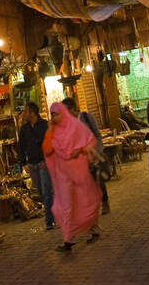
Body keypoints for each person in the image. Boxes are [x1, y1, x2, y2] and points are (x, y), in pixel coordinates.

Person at [43, 101, 103, 252]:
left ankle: (94, 230)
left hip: (79, 172)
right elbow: (47, 149)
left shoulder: (76, 127)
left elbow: (91, 142)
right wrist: (50, 131)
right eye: (52, 115)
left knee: (84, 202)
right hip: (63, 176)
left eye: (55, 114)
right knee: (65, 206)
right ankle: (69, 239)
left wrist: (80, 150)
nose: (53, 117)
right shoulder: (53, 131)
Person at [63, 97, 109, 215]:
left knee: (98, 181)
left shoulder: (87, 117)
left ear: (72, 109)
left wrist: (97, 151)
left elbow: (97, 135)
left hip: (93, 155)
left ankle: (105, 202)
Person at [17, 102, 54, 230]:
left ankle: (49, 221)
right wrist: (24, 163)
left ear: (32, 112)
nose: (24, 114)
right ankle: (54, 211)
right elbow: (21, 146)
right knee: (40, 191)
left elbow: (51, 143)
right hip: (32, 164)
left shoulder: (44, 125)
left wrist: (48, 159)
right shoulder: (24, 129)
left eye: (26, 111)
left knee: (46, 191)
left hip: (44, 163)